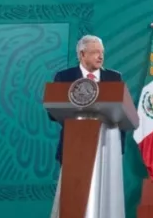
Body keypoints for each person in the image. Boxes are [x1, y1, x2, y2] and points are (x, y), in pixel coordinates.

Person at [52, 35, 125, 164]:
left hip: (107, 147)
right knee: (74, 184)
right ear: (82, 54)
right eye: (95, 52)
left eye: (102, 52)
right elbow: (53, 113)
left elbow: (121, 113)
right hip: (74, 146)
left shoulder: (114, 77)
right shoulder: (64, 77)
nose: (100, 56)